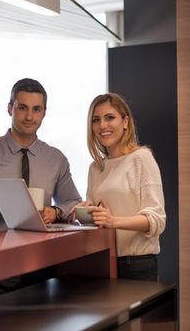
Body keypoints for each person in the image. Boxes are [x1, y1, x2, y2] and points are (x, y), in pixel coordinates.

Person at [0, 78, 81, 300]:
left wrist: (56, 212)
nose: (29, 116)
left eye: (36, 109)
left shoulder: (56, 159)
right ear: (10, 108)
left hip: (41, 267)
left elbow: (74, 203)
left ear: (44, 113)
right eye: (22, 108)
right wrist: (6, 204)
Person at [72, 93, 166, 281]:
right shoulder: (95, 168)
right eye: (96, 120)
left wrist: (114, 221)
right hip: (103, 262)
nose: (102, 125)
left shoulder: (142, 158)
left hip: (136, 265)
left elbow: (157, 220)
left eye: (110, 117)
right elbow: (101, 221)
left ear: (125, 122)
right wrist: (87, 214)